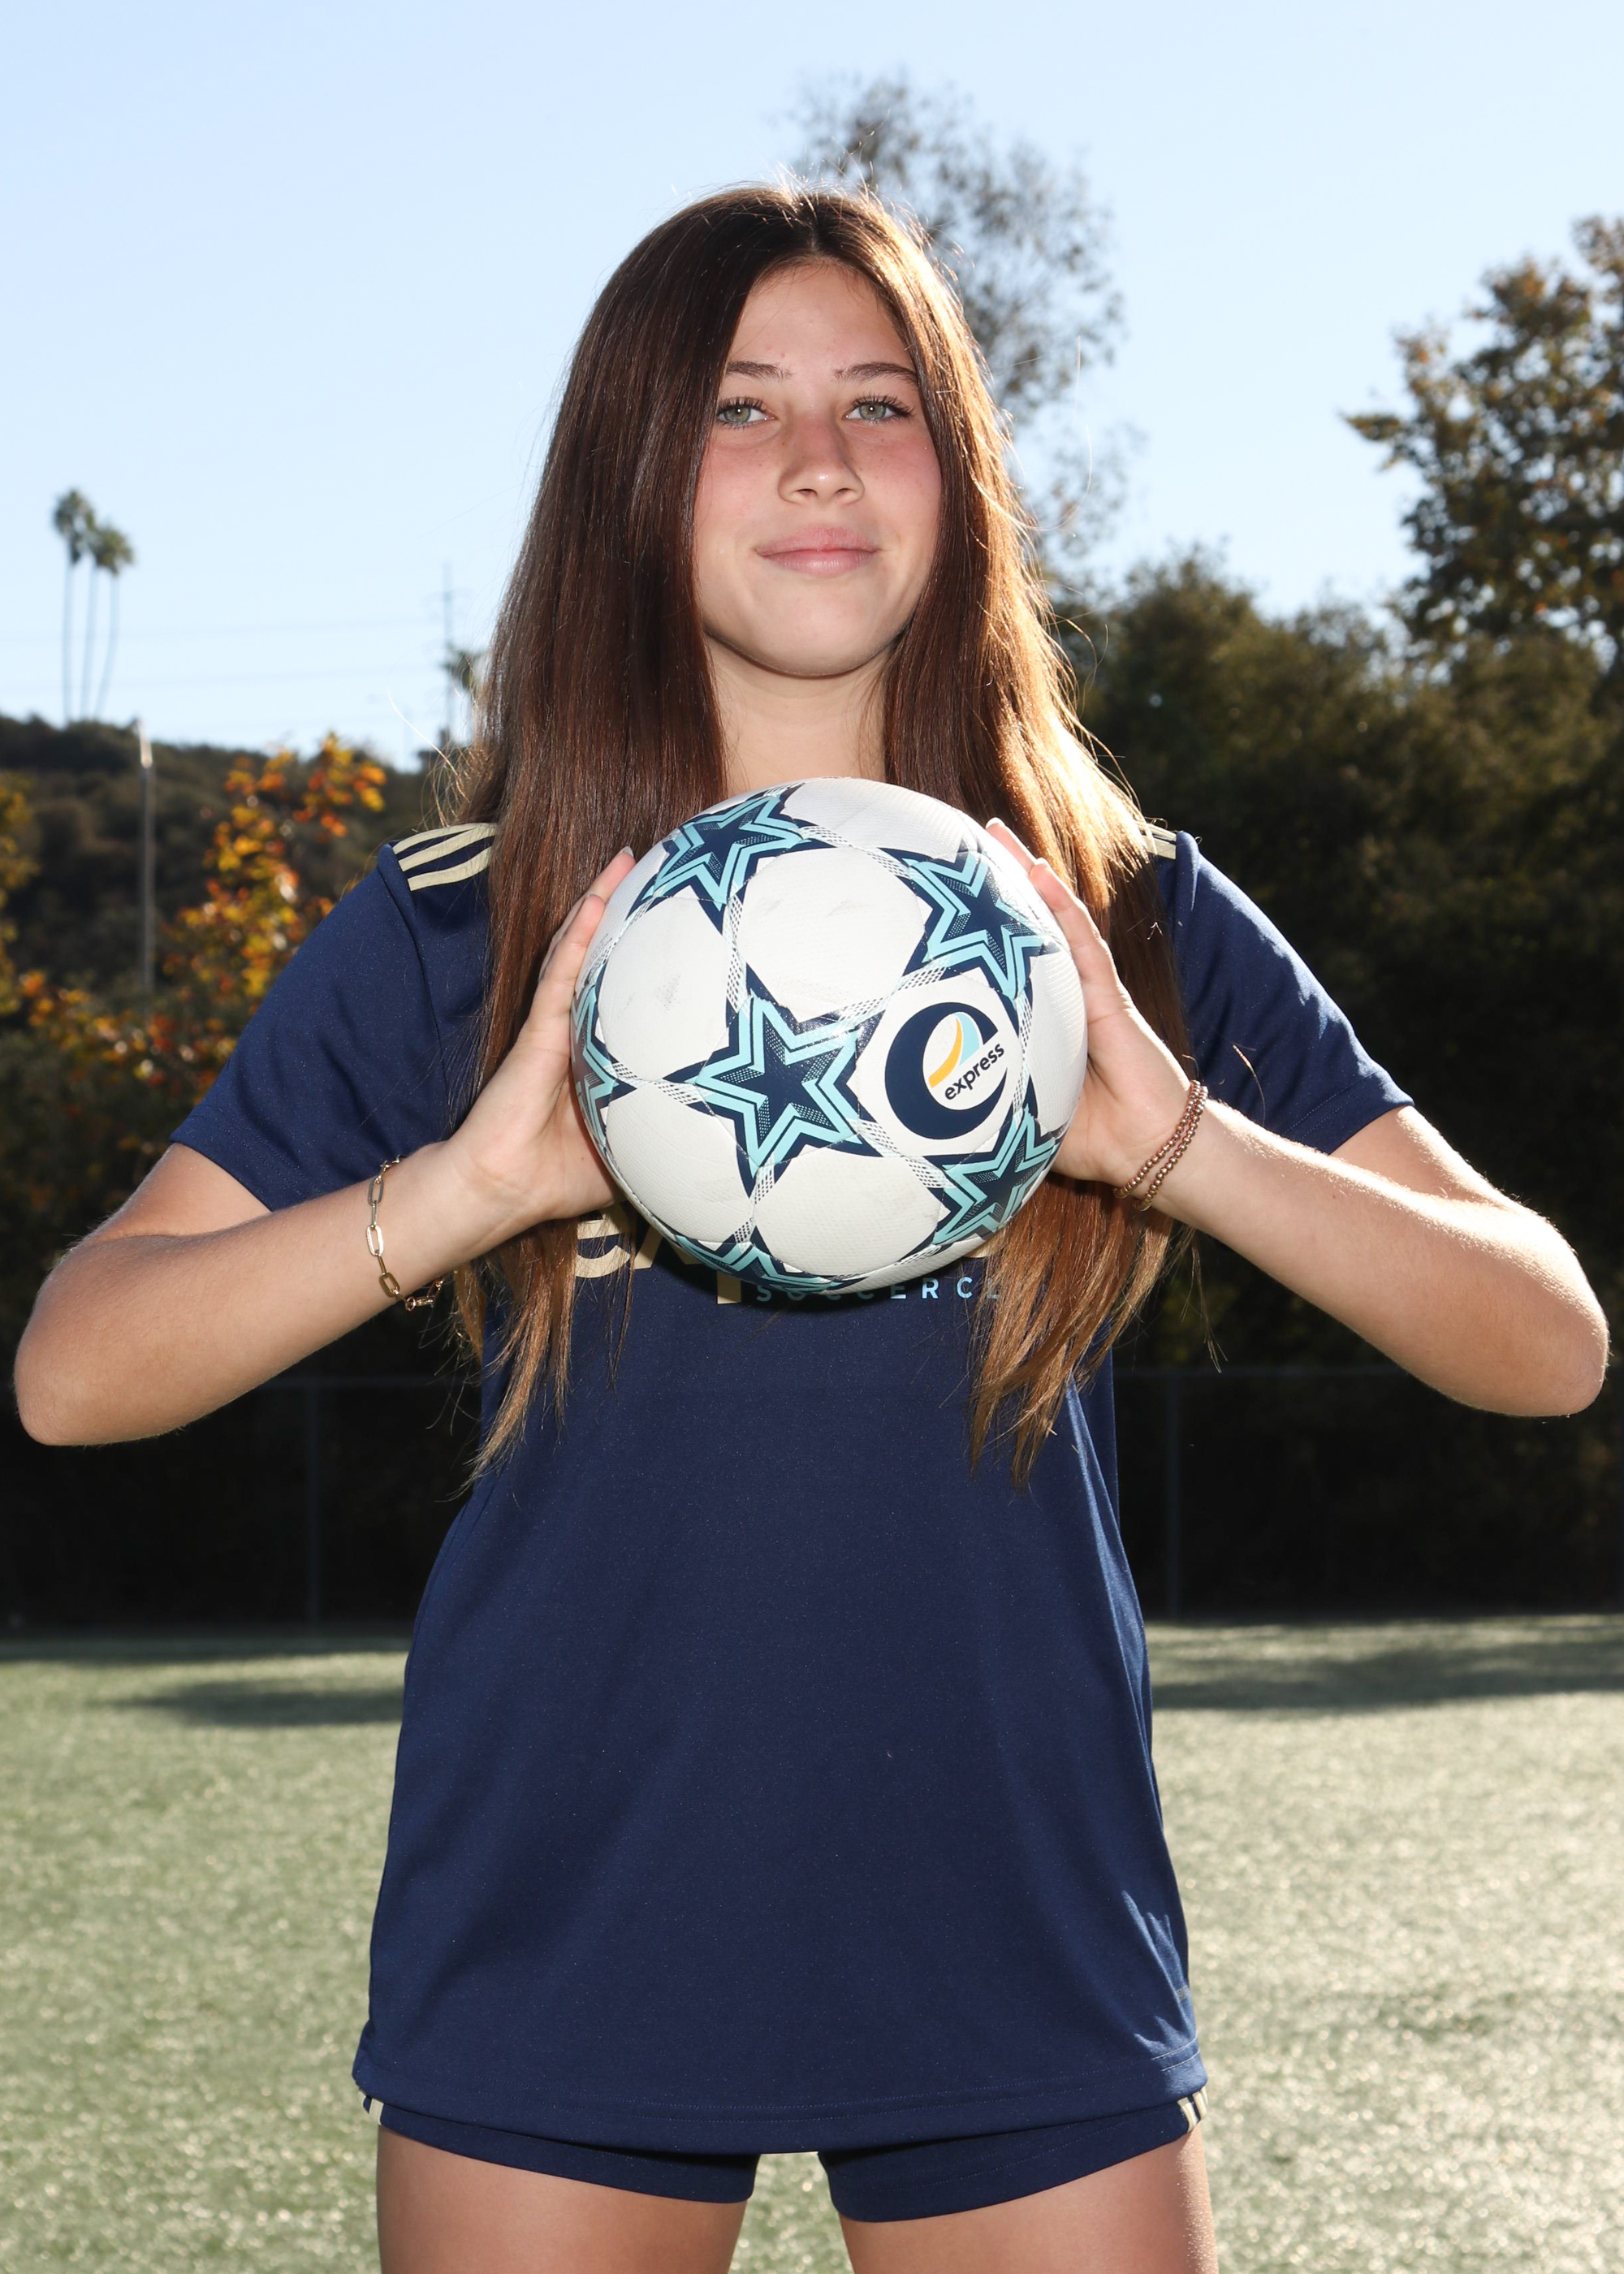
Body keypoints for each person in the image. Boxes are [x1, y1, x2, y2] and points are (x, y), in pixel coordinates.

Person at [14, 184, 1607, 2274]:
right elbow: (76, 1368)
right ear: (628, 478)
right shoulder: (469, 925)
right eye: (738, 407)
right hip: (569, 1925)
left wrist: (1176, 1140)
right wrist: (470, 1187)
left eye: (880, 401)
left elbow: (1546, 1336)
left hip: (1014, 1925)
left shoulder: (1117, 912)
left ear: (960, 472)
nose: (821, 459)